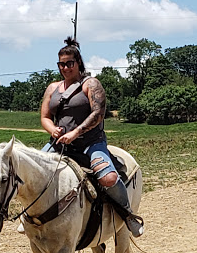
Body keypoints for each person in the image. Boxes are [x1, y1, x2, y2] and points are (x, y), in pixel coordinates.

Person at [39, 36, 144, 238]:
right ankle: (30, 218)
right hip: (59, 144)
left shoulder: (90, 84)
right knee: (32, 173)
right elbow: (44, 117)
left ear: (78, 62)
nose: (65, 68)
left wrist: (75, 132)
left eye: (69, 63)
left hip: (90, 143)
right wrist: (52, 129)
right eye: (61, 64)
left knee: (109, 178)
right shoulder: (52, 88)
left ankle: (128, 215)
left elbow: (98, 114)